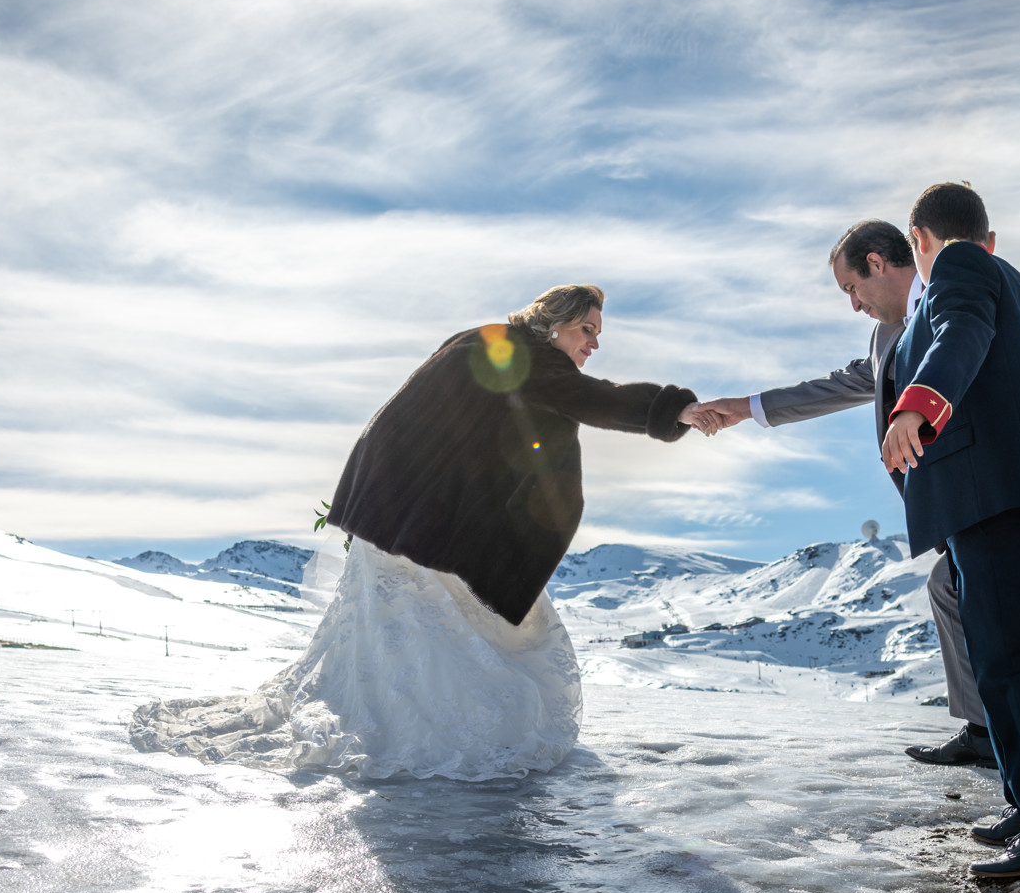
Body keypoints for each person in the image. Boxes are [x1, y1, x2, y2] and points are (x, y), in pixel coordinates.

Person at [690, 219, 1020, 829]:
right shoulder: (891, 333)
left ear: (878, 263)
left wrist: (917, 411)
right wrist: (745, 409)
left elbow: (972, 346)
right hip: (998, 492)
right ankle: (988, 730)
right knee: (950, 586)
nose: (853, 304)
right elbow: (846, 384)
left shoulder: (960, 283)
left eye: (850, 288)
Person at [131, 285, 709, 780]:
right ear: (552, 324)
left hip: (397, 514)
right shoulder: (524, 359)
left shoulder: (483, 342)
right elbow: (593, 398)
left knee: (399, 632)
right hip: (429, 525)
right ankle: (430, 735)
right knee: (469, 633)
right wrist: (674, 410)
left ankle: (384, 717)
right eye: (587, 328)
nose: (594, 343)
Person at [886, 182, 1020, 877]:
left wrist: (916, 406)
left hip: (997, 497)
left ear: (920, 239)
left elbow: (960, 332)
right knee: (1005, 655)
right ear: (992, 234)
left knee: (1013, 659)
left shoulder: (958, 267)